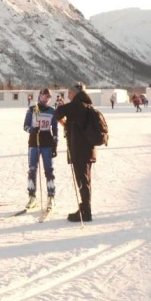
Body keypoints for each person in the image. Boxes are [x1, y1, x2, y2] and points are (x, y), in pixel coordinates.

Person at [54, 82, 97, 222]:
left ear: (76, 93)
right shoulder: (87, 105)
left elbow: (57, 112)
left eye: (70, 93)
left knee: (83, 181)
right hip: (88, 149)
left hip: (80, 150)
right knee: (86, 180)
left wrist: (64, 123)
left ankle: (85, 212)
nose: (68, 96)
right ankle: (85, 208)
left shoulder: (76, 105)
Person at [23, 88, 58, 211]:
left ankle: (51, 196)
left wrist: (55, 142)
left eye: (49, 97)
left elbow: (55, 128)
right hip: (34, 142)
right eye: (44, 96)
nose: (47, 98)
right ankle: (32, 196)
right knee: (32, 170)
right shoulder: (32, 109)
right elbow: (25, 126)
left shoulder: (52, 111)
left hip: (47, 143)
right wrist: (31, 129)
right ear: (40, 96)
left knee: (49, 170)